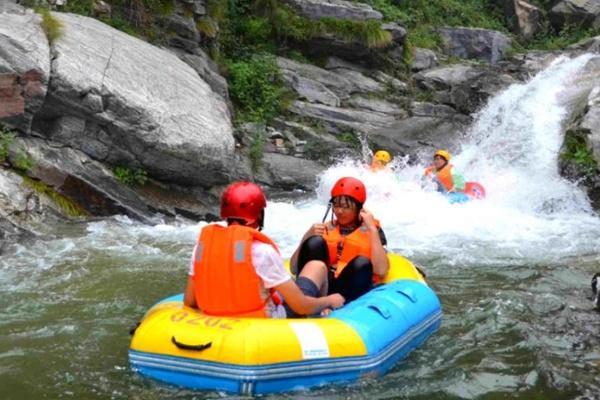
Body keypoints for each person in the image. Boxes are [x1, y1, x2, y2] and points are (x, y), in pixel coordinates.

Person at [183, 181, 344, 318]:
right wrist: (330, 300)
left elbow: (190, 301)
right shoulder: (262, 251)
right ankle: (323, 314)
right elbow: (301, 307)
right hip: (264, 322)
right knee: (317, 266)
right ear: (259, 214)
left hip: (219, 317)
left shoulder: (201, 248)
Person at [289, 177, 389, 310]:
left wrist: (372, 229)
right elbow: (293, 268)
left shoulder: (373, 231)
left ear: (359, 209)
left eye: (346, 207)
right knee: (314, 242)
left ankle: (333, 307)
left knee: (362, 263)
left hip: (348, 288)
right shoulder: (325, 228)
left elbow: (381, 271)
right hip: (324, 285)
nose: (339, 211)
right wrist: (307, 236)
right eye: (336, 206)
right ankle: (310, 301)